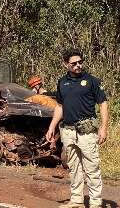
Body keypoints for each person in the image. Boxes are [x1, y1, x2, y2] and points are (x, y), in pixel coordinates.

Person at [45, 49, 108, 208]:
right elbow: (59, 106)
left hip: (86, 131)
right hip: (68, 131)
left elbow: (103, 104)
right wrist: (52, 127)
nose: (78, 65)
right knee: (74, 168)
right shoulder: (62, 82)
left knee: (92, 168)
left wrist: (103, 127)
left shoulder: (92, 81)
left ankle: (95, 203)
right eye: (73, 63)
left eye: (80, 62)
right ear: (65, 64)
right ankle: (77, 200)